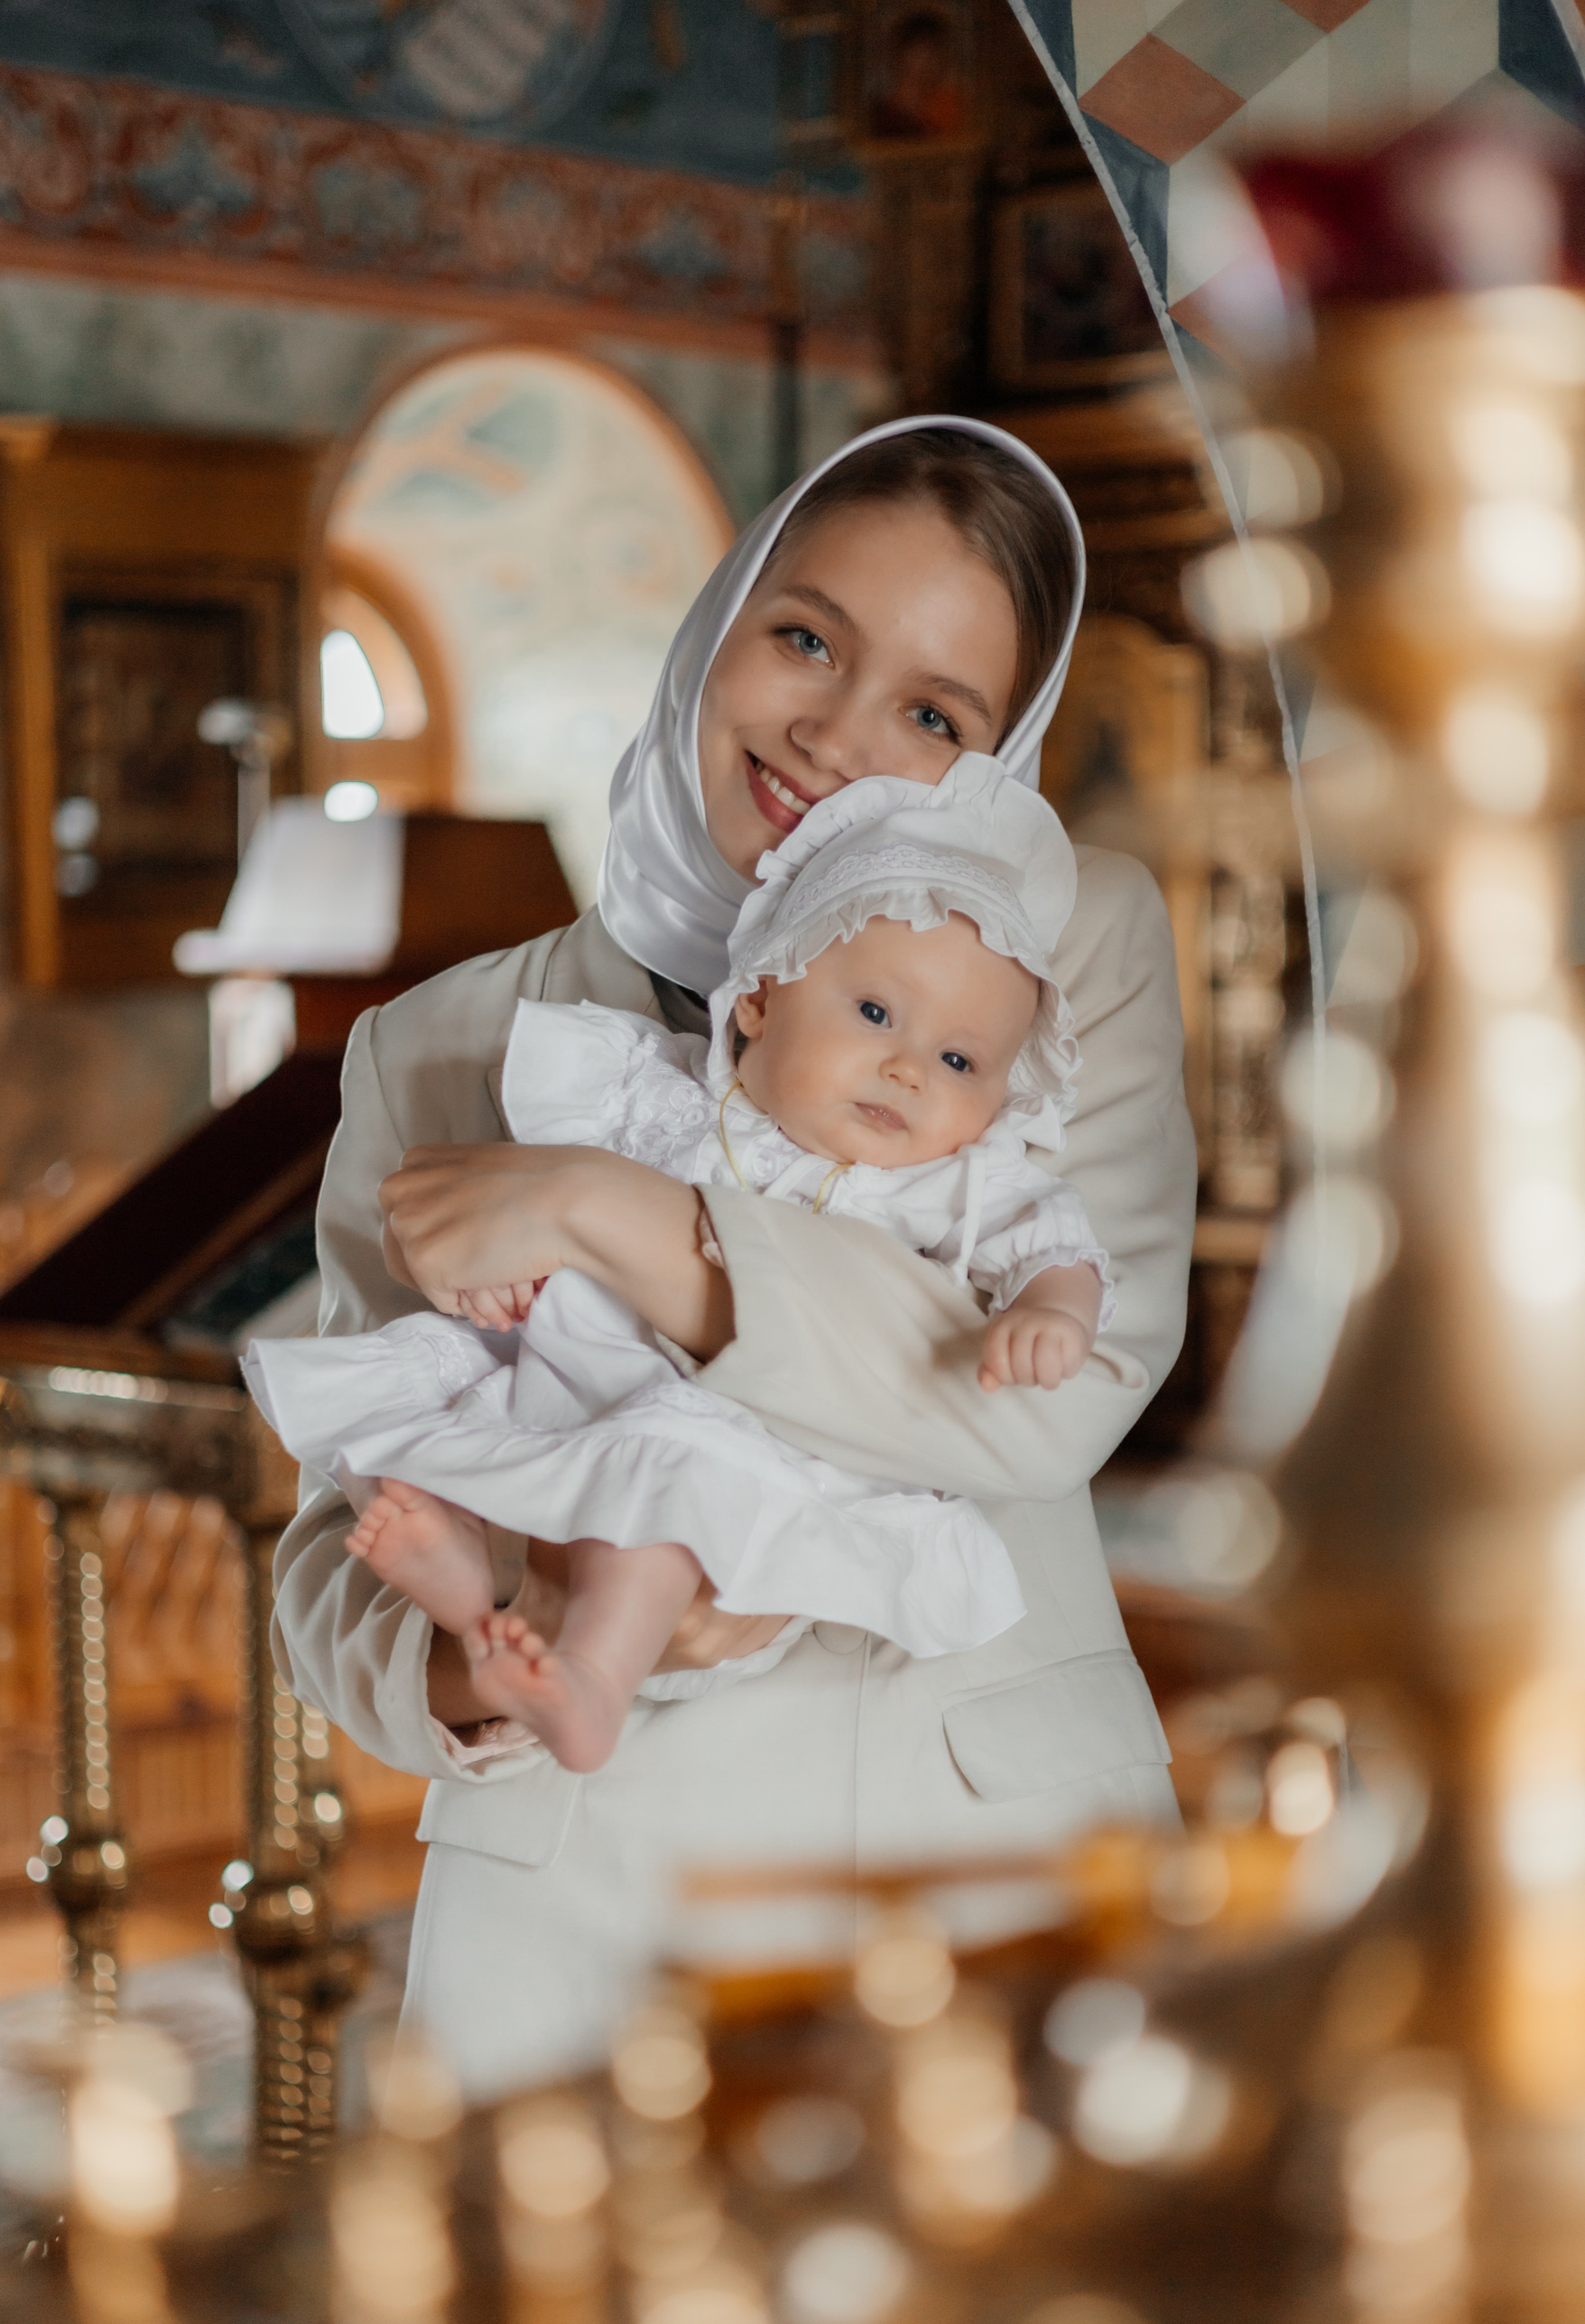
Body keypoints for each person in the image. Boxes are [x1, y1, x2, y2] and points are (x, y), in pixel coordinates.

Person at [271, 417, 1198, 2096]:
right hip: (588, 1918)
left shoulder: (1067, 956)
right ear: (716, 628)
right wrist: (491, 1660)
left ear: (995, 763)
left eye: (933, 714)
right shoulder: (442, 1041)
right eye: (805, 639)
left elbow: (1044, 1410)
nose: (834, 736)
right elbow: (340, 1528)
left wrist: (612, 1216)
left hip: (983, 1872)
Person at [248, 758, 1113, 1771]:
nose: (910, 1067)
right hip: (561, 1380)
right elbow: (472, 1209)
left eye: (961, 1063)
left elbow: (1057, 1246)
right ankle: (469, 1583)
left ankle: (588, 1684)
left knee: (659, 1498)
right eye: (876, 1015)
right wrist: (457, 1273)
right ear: (757, 1003)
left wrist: (1053, 1311)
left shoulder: (944, 1182)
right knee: (438, 1394)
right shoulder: (656, 1096)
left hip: (717, 1430)